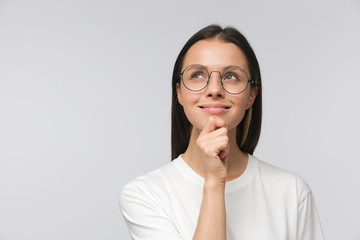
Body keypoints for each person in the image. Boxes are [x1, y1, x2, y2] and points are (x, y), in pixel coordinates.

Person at [119, 24, 324, 240]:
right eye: (197, 74)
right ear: (179, 92)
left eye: (231, 76)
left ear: (251, 95)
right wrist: (214, 183)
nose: (215, 89)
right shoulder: (145, 195)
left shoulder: (292, 192)